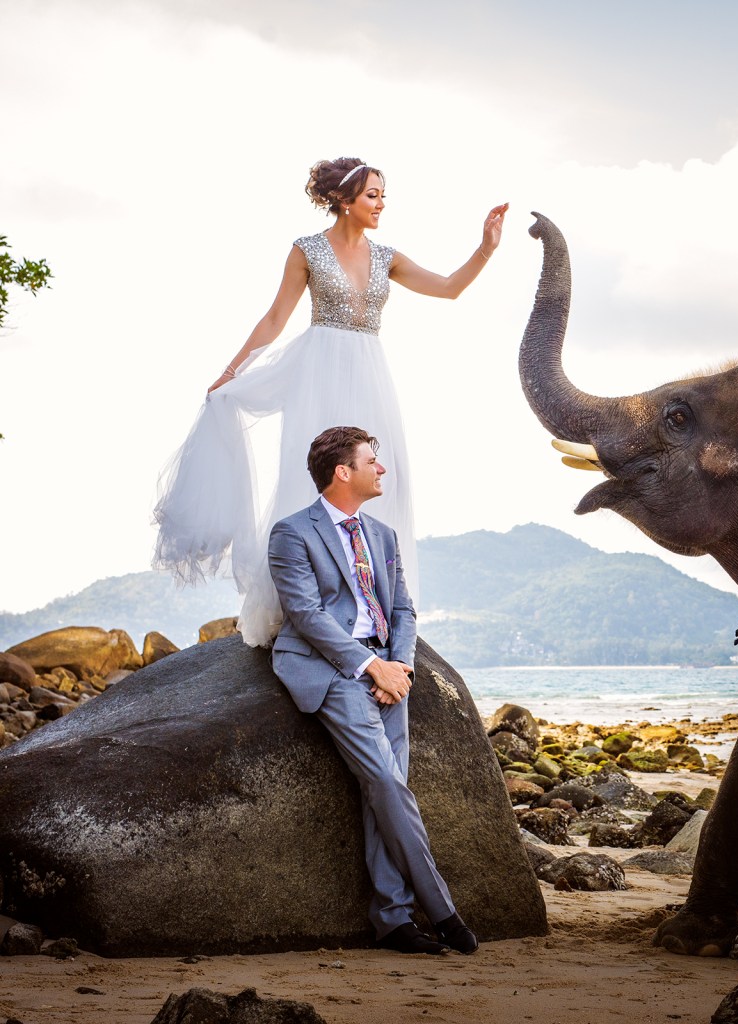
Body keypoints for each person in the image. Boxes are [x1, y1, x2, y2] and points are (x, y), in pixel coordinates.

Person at [153, 156, 508, 646]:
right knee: (312, 482)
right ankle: (305, 605)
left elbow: (448, 289)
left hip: (371, 373)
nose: (381, 203)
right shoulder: (307, 251)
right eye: (372, 195)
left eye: (384, 194)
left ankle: (374, 606)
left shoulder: (388, 257)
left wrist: (485, 248)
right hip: (319, 373)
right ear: (344, 200)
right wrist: (232, 372)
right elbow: (276, 316)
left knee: (388, 477)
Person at [268, 425, 475, 956]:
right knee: (385, 778)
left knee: (385, 787)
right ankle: (443, 909)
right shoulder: (292, 533)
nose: (381, 469)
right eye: (371, 461)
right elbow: (306, 614)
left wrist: (399, 665)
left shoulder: (382, 536)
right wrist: (367, 666)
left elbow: (403, 609)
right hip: (329, 668)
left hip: (387, 670)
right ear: (344, 472)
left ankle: (393, 920)